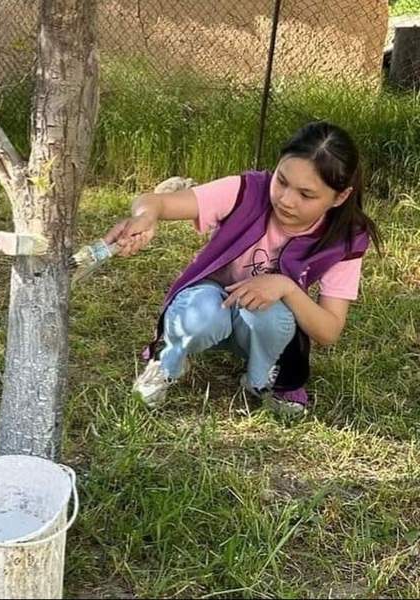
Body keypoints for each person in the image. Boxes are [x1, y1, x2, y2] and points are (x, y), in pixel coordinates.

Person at [105, 121, 380, 417]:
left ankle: (261, 378)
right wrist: (146, 217)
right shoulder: (248, 190)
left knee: (274, 315)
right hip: (209, 306)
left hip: (262, 322)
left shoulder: (346, 238)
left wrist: (285, 287)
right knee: (201, 314)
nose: (286, 200)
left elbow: (329, 331)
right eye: (282, 180)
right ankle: (169, 359)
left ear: (340, 197)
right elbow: (157, 202)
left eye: (306, 195)